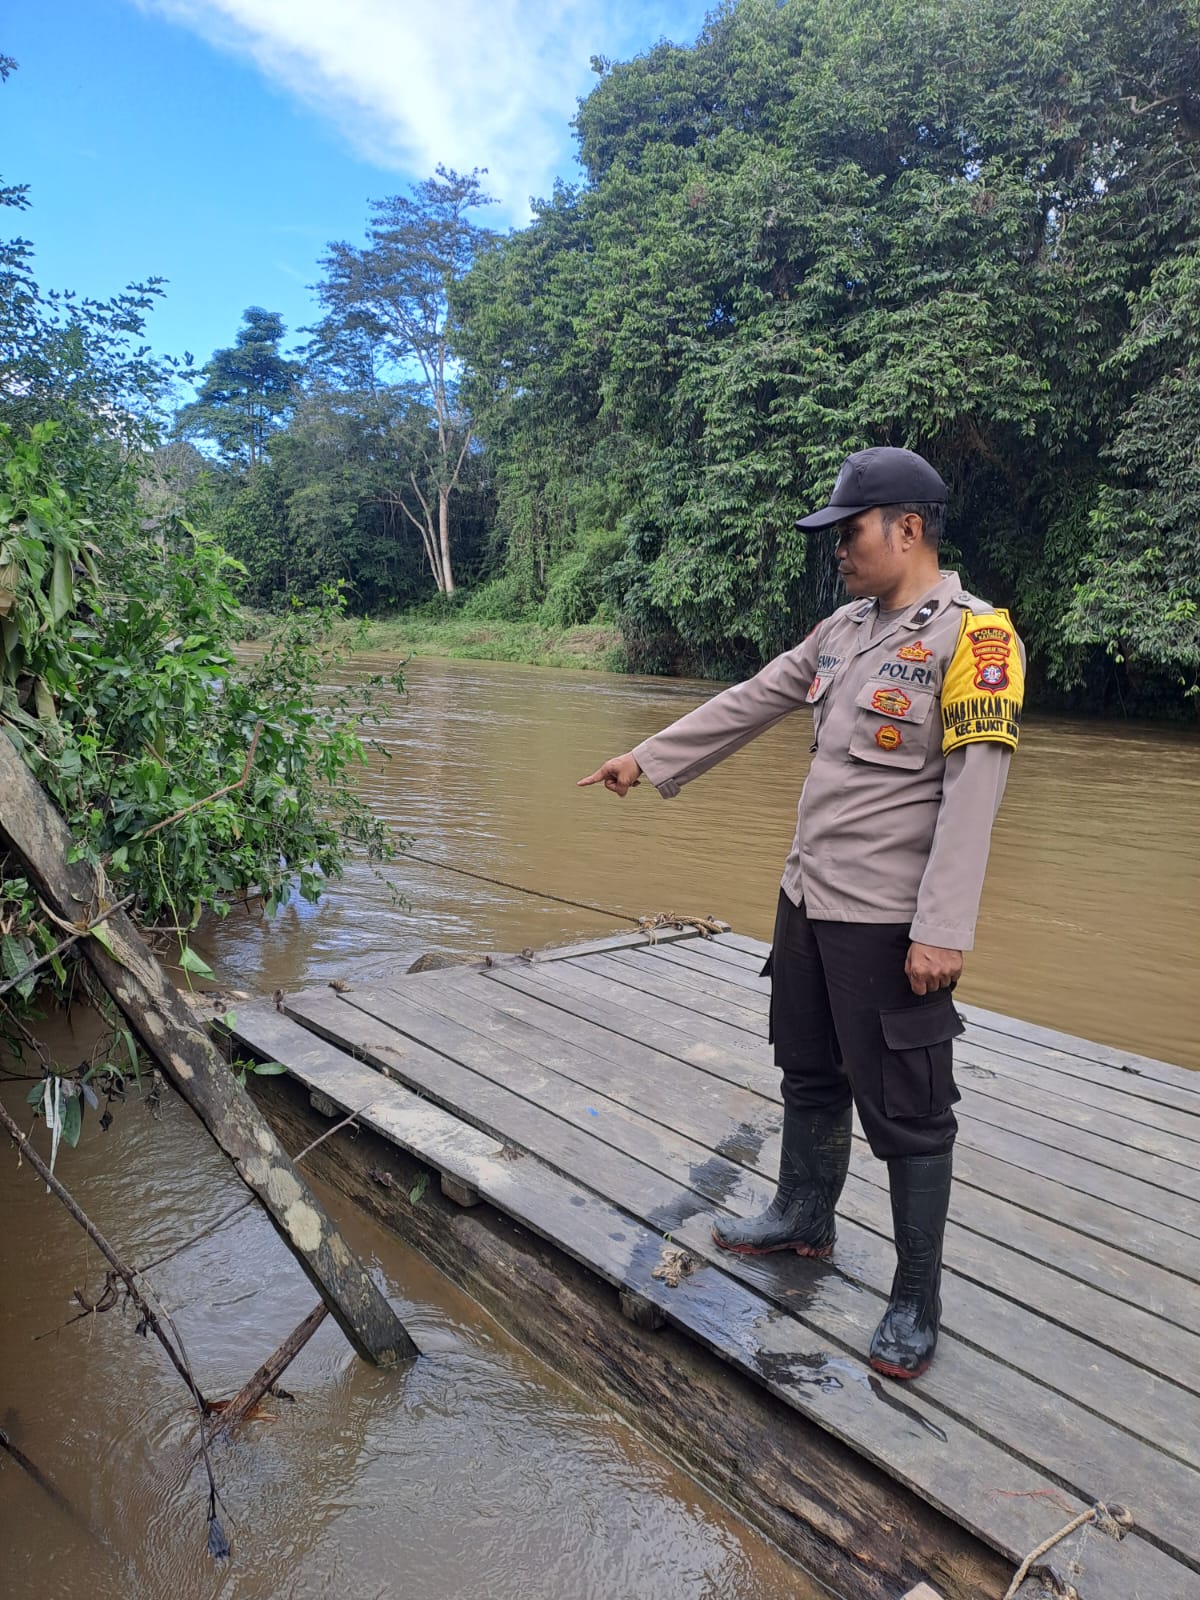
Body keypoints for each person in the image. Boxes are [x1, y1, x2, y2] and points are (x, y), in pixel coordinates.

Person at [578, 446, 1024, 1379]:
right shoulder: (845, 630)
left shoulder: (978, 641)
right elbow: (752, 700)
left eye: (849, 534)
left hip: (887, 918)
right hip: (807, 898)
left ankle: (915, 1296)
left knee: (909, 1109)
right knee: (808, 1069)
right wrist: (648, 758)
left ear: (908, 528)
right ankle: (802, 1214)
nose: (839, 554)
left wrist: (944, 928)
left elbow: (972, 793)